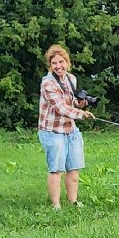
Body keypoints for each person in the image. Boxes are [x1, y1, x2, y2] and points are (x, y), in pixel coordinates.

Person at [37, 44, 94, 209]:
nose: (58, 66)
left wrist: (82, 104)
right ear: (50, 65)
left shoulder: (71, 79)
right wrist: (80, 113)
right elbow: (60, 108)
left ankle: (73, 201)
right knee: (56, 169)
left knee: (74, 168)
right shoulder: (47, 83)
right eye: (54, 63)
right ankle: (56, 205)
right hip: (52, 131)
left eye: (61, 62)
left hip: (70, 129)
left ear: (67, 62)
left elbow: (72, 102)